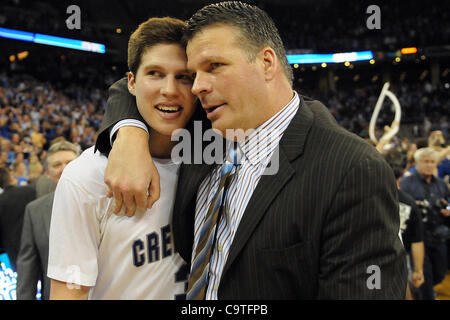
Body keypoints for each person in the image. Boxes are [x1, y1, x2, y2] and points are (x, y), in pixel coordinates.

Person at [96, 1, 407, 299]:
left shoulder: (352, 169)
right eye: (194, 74)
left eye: (214, 66)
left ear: (267, 62)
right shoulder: (206, 129)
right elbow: (135, 86)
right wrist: (129, 134)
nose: (195, 87)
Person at [47, 17, 197, 300]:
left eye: (183, 77)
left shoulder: (211, 158)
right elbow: (69, 293)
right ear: (130, 82)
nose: (169, 89)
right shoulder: (86, 175)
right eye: (154, 73)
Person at [16, 141, 79, 300]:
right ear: (47, 173)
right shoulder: (34, 210)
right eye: (57, 164)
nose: (64, 168)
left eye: (70, 163)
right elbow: (27, 269)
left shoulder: (102, 201)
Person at [399, 147, 450, 299]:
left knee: (441, 272)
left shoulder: (440, 184)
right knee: (423, 275)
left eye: (432, 162)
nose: (429, 165)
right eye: (426, 162)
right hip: (418, 237)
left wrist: (447, 208)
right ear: (418, 163)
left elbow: (448, 202)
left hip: (439, 235)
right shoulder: (407, 183)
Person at [383, 148, 425, 298]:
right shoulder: (409, 202)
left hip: (368, 263)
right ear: (403, 172)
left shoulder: (363, 195)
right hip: (397, 261)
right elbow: (417, 240)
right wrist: (418, 270)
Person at [0, 167, 35, 270]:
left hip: (14, 254)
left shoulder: (1, 201)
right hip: (36, 247)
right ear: (11, 177)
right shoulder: (30, 191)